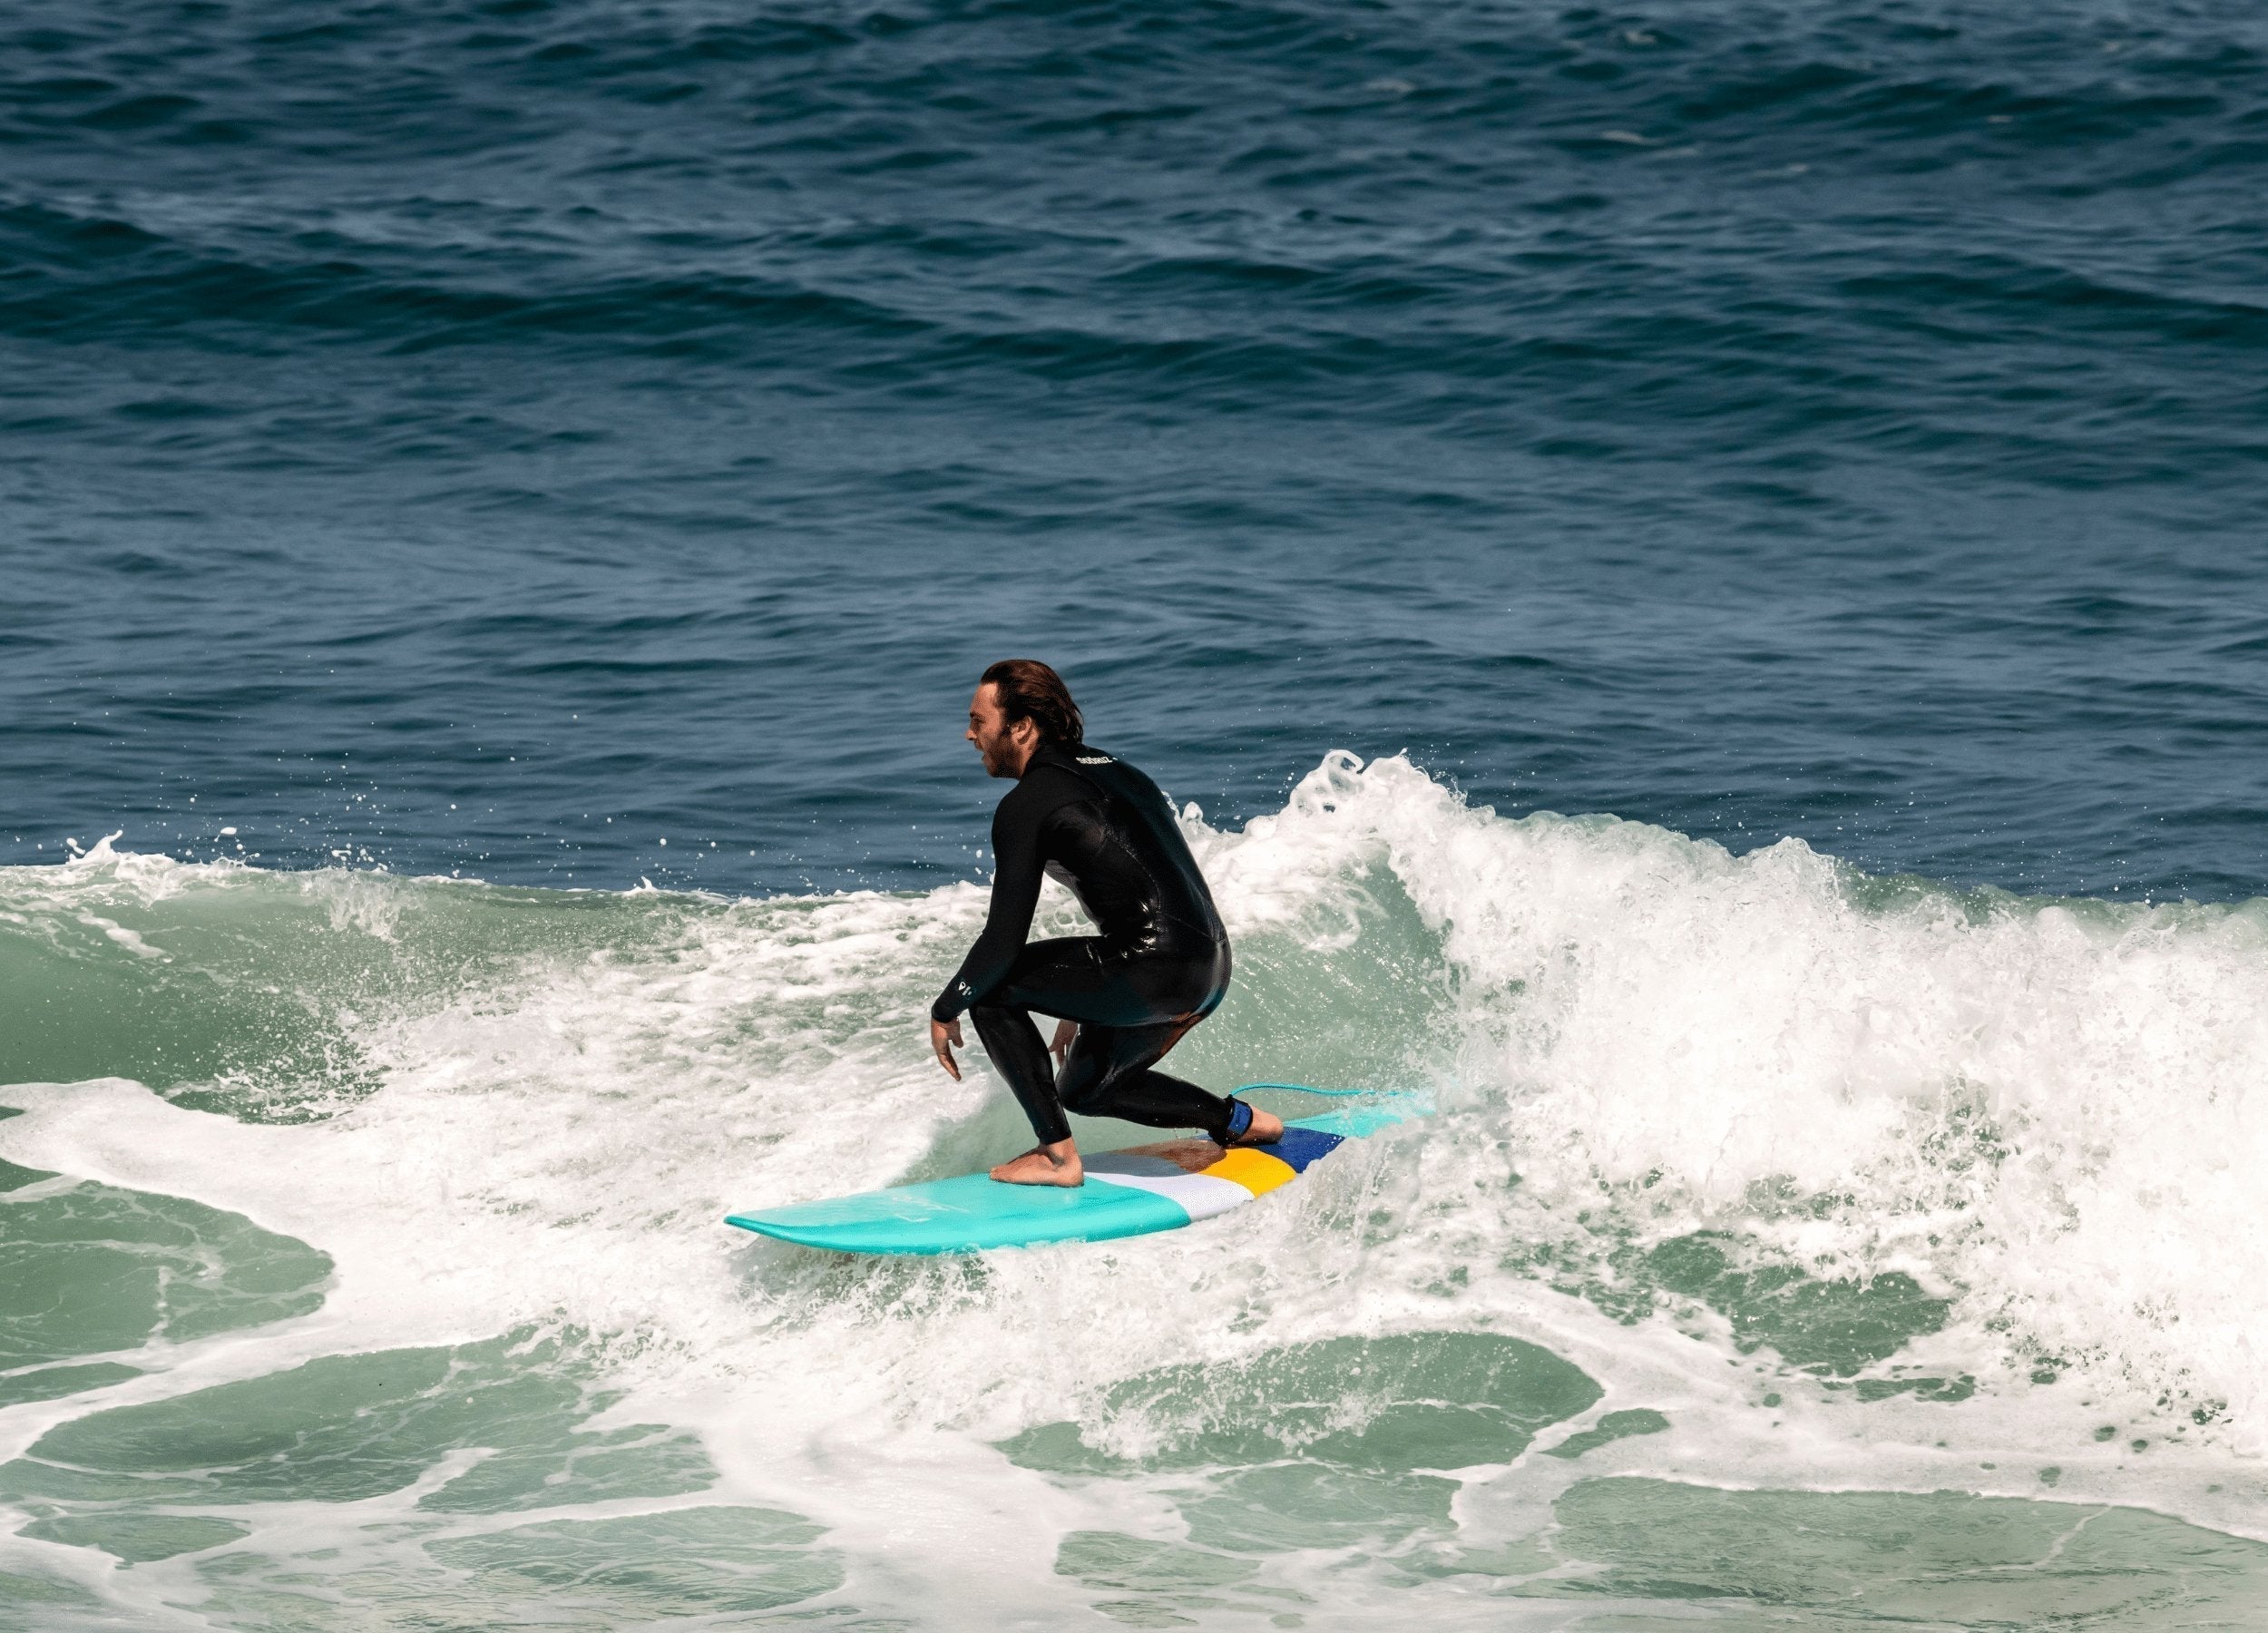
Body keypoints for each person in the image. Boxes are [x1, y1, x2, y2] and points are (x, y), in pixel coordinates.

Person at [929, 660, 1284, 1185]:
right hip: (1208, 968)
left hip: (1152, 966)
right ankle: (1240, 1122)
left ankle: (1057, 1156)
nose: (970, 733)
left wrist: (947, 1006)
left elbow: (1003, 942)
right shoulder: (1123, 772)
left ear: (1022, 726)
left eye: (979, 720)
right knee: (1088, 1088)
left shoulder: (1027, 805)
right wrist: (1080, 998)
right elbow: (1144, 887)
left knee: (991, 990)